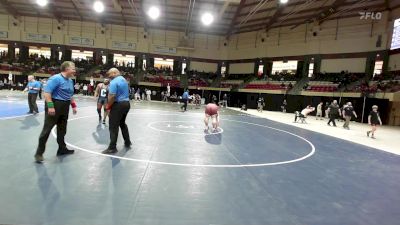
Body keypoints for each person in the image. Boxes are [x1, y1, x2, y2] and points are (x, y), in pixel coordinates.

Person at [34, 61, 78, 163]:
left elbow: (70, 95)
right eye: (73, 68)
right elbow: (47, 92)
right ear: (67, 69)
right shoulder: (55, 78)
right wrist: (50, 106)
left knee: (62, 129)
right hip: (55, 104)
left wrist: (74, 106)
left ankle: (62, 149)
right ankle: (39, 153)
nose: (75, 70)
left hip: (65, 106)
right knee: (47, 129)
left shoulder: (70, 81)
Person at [103, 68, 132, 154]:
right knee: (122, 123)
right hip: (126, 104)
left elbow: (112, 96)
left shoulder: (114, 82)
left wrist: (108, 106)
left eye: (110, 74)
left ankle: (112, 148)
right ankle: (127, 141)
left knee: (113, 126)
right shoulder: (123, 80)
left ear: (115, 73)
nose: (109, 76)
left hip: (118, 105)